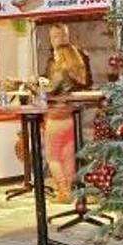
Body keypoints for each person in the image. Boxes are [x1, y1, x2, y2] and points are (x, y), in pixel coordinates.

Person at [44, 43, 90, 203]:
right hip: (69, 118)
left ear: (62, 54)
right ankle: (69, 190)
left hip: (56, 117)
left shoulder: (60, 70)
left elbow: (49, 91)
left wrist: (36, 86)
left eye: (56, 53)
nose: (54, 56)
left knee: (52, 157)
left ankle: (63, 191)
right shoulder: (77, 72)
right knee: (67, 156)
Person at [45, 23, 93, 88]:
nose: (61, 39)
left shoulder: (81, 56)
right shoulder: (51, 60)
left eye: (64, 35)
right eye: (56, 36)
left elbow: (87, 82)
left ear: (68, 37)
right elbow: (48, 80)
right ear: (51, 40)